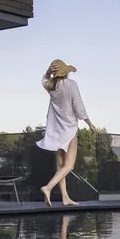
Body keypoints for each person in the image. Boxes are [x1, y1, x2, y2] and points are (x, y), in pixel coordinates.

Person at [36, 59, 96, 206]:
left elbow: (44, 79)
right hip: (69, 129)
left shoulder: (51, 86)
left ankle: (65, 197)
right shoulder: (70, 85)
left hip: (55, 130)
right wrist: (90, 124)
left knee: (61, 165)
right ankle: (48, 187)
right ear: (66, 73)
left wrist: (48, 73)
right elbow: (79, 107)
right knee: (69, 166)